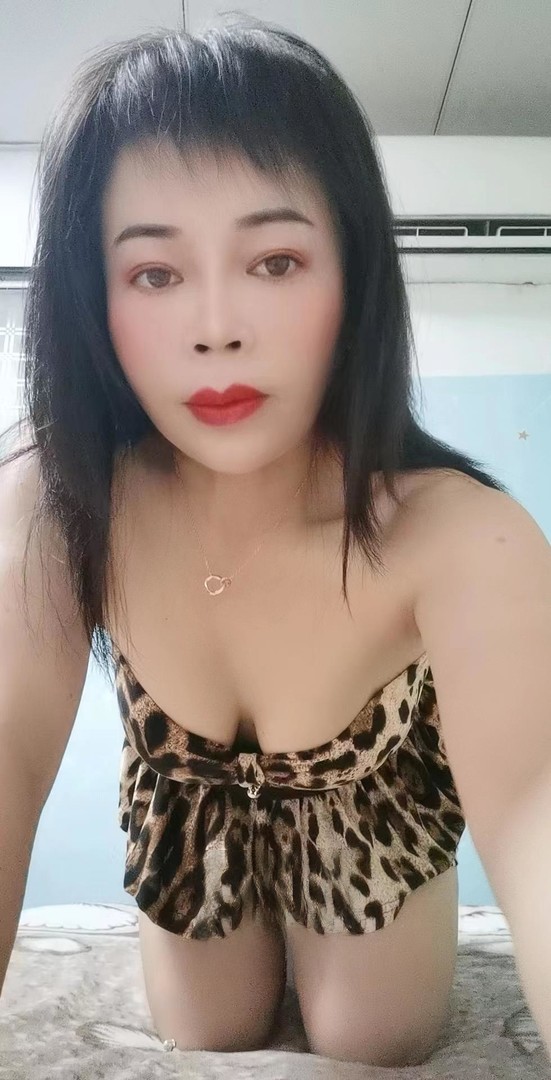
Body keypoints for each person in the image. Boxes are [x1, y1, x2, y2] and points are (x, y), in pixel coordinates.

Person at [0, 17, 512, 1066]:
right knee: (209, 1034)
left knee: (371, 1040)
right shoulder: (55, 499)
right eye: (154, 274)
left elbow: (537, 799)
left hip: (366, 818)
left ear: (353, 273)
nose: (216, 326)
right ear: (91, 300)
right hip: (182, 810)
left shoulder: (454, 533)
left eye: (275, 261)